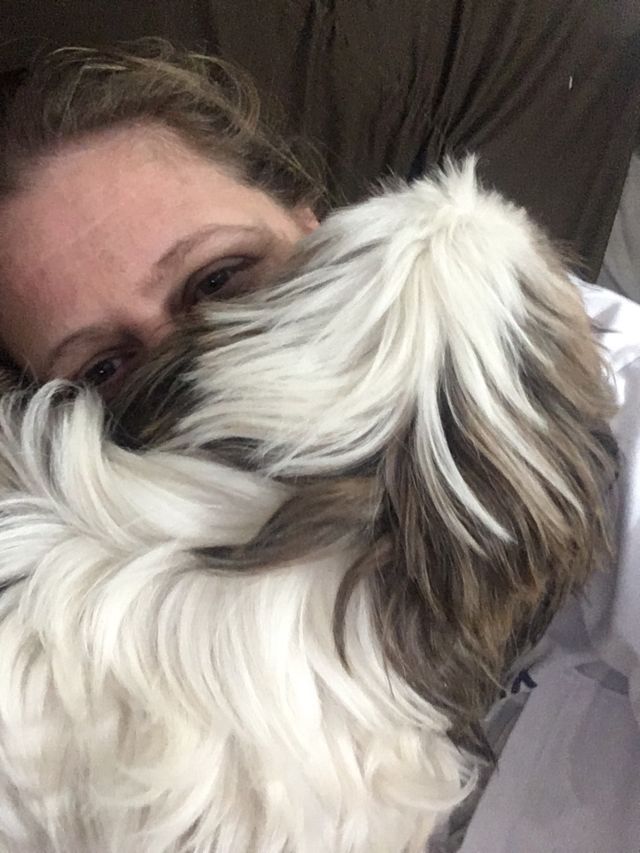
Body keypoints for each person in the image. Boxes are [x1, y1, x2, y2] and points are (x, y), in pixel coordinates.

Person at [0, 42, 639, 853]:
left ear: (316, 222)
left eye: (219, 279)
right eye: (105, 367)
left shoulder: (531, 371)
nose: (191, 373)